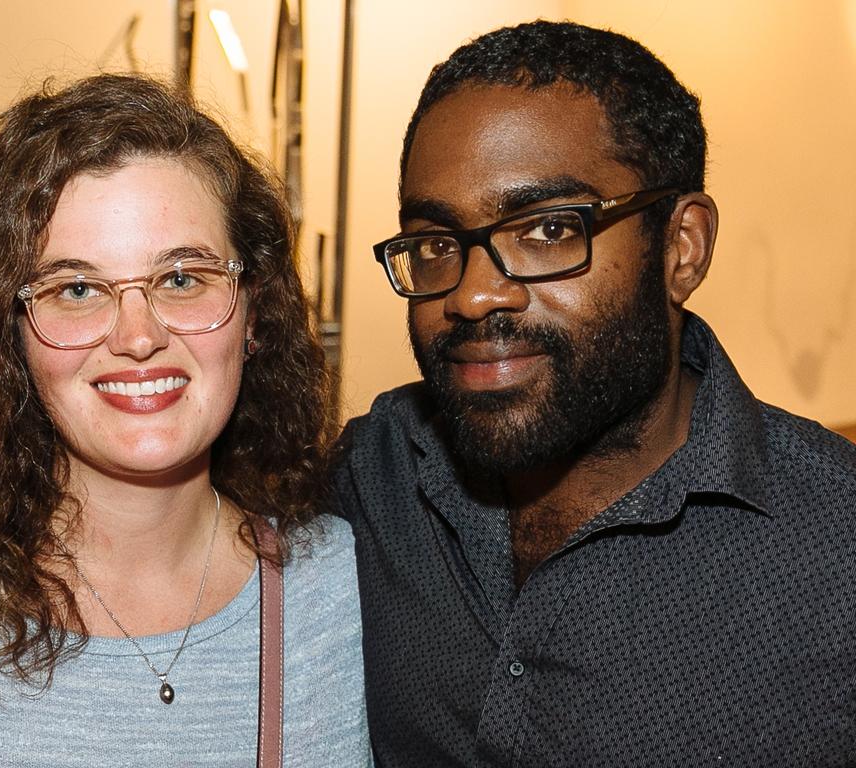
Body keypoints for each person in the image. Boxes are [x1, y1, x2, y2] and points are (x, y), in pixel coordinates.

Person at [330, 20, 856, 767]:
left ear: (682, 247)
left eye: (548, 229)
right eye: (438, 243)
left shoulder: (834, 550)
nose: (475, 295)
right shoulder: (368, 480)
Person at [0, 74, 369, 766]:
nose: (137, 336)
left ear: (252, 313)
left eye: (182, 278)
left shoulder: (344, 594)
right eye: (77, 289)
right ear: (10, 331)